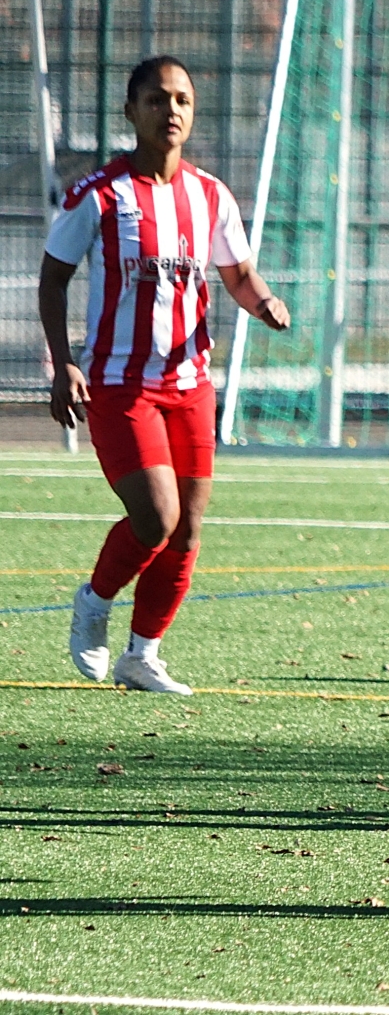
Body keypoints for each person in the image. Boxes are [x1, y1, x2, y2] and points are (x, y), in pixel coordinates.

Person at [42, 56, 289, 696]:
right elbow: (53, 278)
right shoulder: (99, 194)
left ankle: (142, 655)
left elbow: (238, 273)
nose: (171, 110)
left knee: (187, 528)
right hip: (120, 385)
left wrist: (262, 301)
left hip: (190, 384)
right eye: (156, 99)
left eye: (182, 99)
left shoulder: (210, 195)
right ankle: (94, 601)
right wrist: (63, 360)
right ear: (131, 112)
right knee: (155, 516)